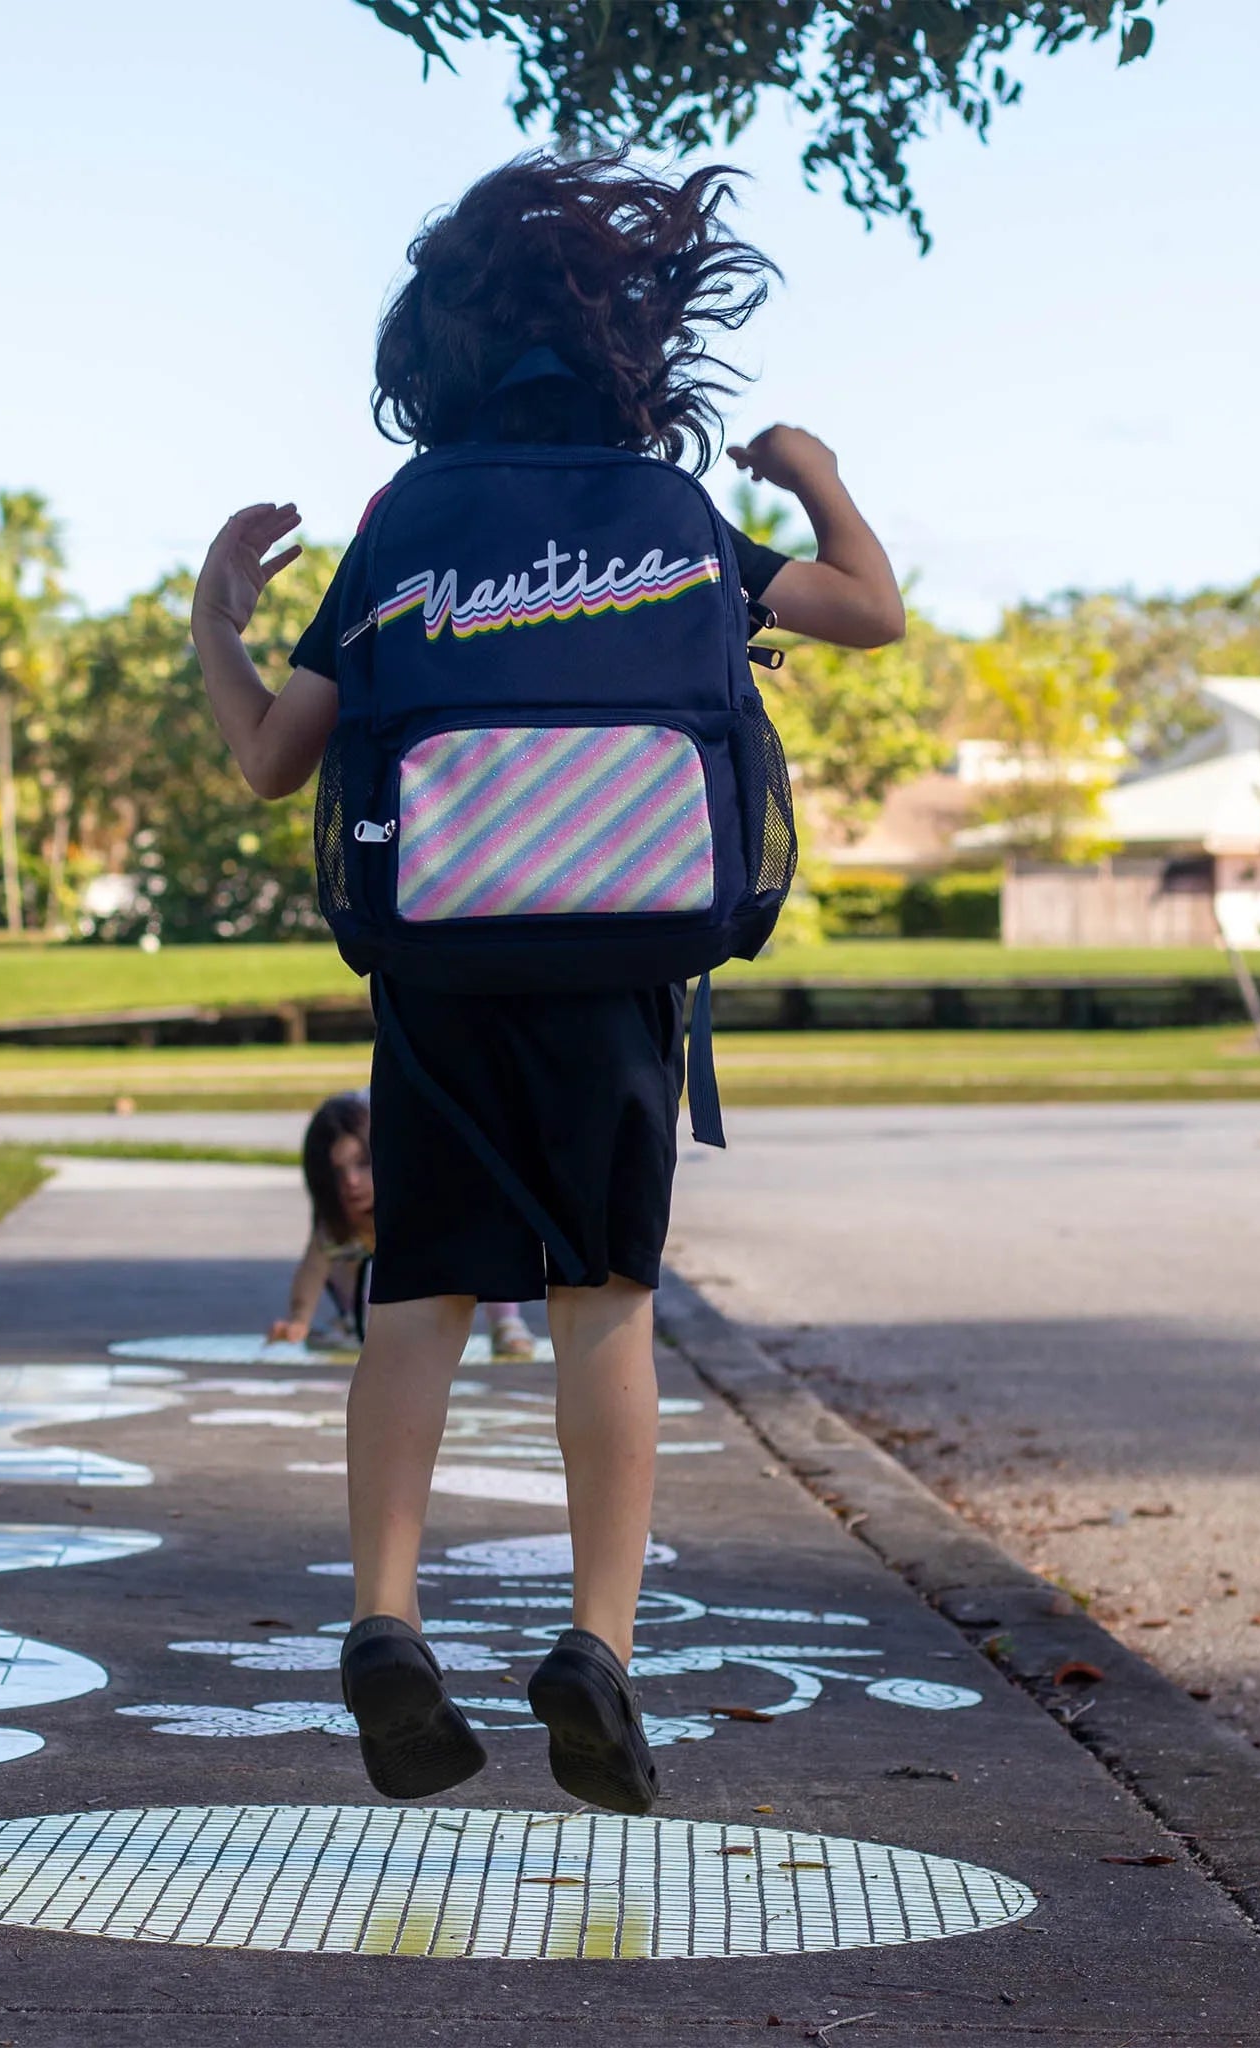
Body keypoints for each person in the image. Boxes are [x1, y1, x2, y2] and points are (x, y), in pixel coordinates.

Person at [190, 152, 903, 1813]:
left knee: (420, 1295)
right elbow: (866, 607)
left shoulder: (402, 527)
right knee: (600, 1304)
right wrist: (809, 470)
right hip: (622, 965)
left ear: (428, 359)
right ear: (630, 354)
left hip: (436, 969)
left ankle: (382, 1614)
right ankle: (594, 1643)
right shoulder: (674, 523)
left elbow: (267, 760)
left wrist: (216, 615)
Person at [271, 1092, 537, 1359]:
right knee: (345, 1257)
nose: (351, 1181)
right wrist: (298, 1320)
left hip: (428, 1283)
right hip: (380, 1302)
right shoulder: (334, 1223)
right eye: (337, 1172)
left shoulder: (409, 1202)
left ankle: (506, 1323)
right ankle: (360, 1324)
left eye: (362, 1164)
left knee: (481, 1242)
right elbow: (311, 1272)